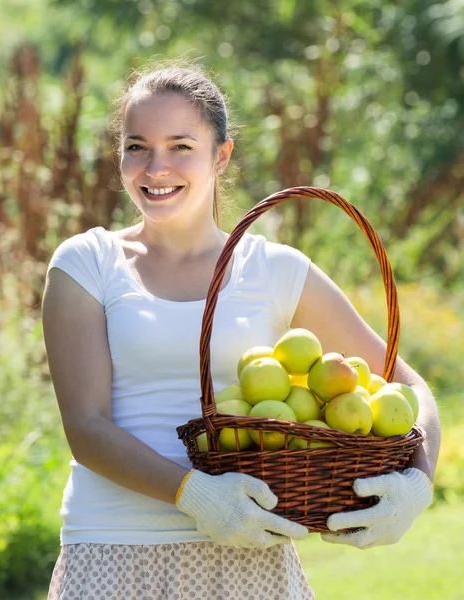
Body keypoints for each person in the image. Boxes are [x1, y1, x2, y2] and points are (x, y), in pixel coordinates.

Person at [41, 60, 441, 600]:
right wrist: (196, 496)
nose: (155, 167)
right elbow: (86, 427)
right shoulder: (86, 262)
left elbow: (409, 387)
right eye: (137, 146)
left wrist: (418, 483)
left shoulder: (274, 269)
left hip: (250, 552)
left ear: (221, 155)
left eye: (181, 145)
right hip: (114, 547)